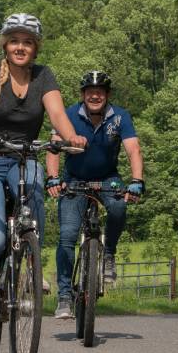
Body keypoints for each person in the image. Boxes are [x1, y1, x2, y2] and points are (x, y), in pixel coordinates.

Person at [0, 13, 87, 353]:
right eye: (14, 41)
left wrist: (72, 136)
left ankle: (30, 266)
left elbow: (57, 115)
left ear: (36, 47)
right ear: (5, 44)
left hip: (23, 158)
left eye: (27, 42)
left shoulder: (44, 76)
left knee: (36, 194)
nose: (20, 47)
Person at [45, 70, 144, 319]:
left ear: (108, 95)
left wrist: (137, 181)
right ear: (83, 95)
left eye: (100, 92)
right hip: (74, 180)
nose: (95, 96)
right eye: (90, 92)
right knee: (67, 235)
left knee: (120, 208)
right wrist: (53, 178)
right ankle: (65, 295)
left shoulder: (120, 117)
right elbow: (54, 147)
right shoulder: (68, 114)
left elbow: (133, 149)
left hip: (108, 178)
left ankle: (108, 253)